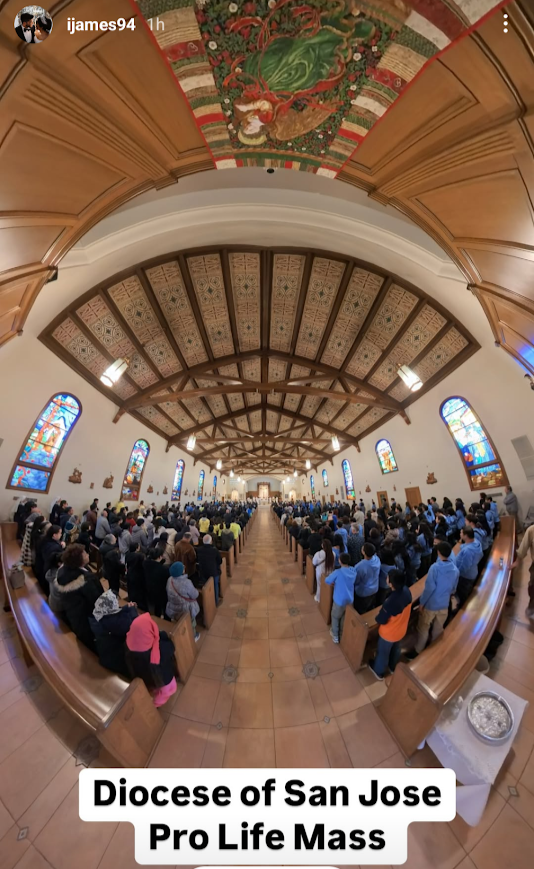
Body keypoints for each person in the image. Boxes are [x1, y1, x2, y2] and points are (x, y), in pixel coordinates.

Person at [406, 541, 459, 658]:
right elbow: (453, 589)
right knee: (438, 629)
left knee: (423, 628)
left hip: (431, 604)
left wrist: (422, 603)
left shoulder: (435, 568)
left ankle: (419, 650)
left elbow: (429, 588)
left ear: (439, 553)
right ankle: (434, 650)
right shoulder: (455, 570)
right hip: (444, 604)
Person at [48, 544, 102, 649]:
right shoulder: (86, 580)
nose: (87, 554)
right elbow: (97, 600)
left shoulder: (64, 572)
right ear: (79, 561)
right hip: (86, 618)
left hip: (73, 615)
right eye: (85, 554)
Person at [125, 612, 177, 707]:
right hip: (163, 678)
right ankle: (156, 704)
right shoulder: (160, 648)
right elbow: (171, 647)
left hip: (148, 680)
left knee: (157, 690)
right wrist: (161, 635)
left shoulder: (130, 648)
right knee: (171, 689)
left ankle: (155, 699)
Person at [368, 570, 412, 681]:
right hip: (401, 629)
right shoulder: (407, 591)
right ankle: (393, 667)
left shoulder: (391, 601)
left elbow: (381, 619)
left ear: (391, 583)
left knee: (383, 652)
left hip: (389, 634)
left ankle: (379, 672)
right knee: (396, 649)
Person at [89, 590, 138, 676]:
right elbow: (134, 624)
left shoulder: (100, 614)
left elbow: (116, 612)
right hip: (115, 658)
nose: (117, 603)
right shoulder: (114, 623)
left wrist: (127, 607)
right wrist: (132, 609)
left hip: (105, 653)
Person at [325, 552, 356, 643]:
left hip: (339, 600)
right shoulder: (353, 570)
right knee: (344, 617)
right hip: (350, 599)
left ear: (340, 561)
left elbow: (327, 580)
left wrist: (335, 582)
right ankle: (342, 634)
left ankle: (335, 636)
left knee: (335, 616)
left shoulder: (338, 572)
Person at [166, 561, 200, 640]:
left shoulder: (170, 580)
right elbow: (195, 595)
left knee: (178, 620)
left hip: (173, 607)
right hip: (185, 608)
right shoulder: (186, 582)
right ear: (181, 571)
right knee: (191, 622)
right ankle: (194, 636)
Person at [453, 526, 483, 605]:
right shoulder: (476, 542)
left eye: (461, 533)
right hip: (472, 571)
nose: (460, 534)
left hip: (465, 576)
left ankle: (462, 608)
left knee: (462, 594)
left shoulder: (468, 551)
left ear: (466, 536)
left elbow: (465, 566)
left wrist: (457, 573)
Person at [512, 523, 534, 618]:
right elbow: (522, 549)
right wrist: (516, 562)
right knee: (532, 588)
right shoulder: (531, 530)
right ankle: (532, 606)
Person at [353, 542, 381, 614]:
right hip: (375, 588)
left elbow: (356, 580)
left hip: (364, 592)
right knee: (370, 606)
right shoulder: (377, 559)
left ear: (364, 552)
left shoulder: (360, 566)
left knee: (361, 609)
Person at [38, 524, 65, 592]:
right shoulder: (55, 547)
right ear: (54, 535)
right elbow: (57, 559)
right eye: (60, 533)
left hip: (42, 568)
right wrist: (62, 547)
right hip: (50, 571)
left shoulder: (44, 540)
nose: (61, 535)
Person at [143, 548, 169, 618]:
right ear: (160, 557)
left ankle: (157, 616)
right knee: (162, 606)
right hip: (160, 591)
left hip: (148, 588)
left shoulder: (145, 563)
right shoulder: (163, 569)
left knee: (156, 607)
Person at [197, 534, 222, 605]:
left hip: (203, 572)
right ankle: (216, 601)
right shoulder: (214, 550)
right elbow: (219, 561)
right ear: (211, 541)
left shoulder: (199, 550)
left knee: (206, 587)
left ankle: (207, 602)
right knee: (215, 586)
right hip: (213, 572)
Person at [125, 542, 148, 610]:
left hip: (130, 575)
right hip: (138, 576)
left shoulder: (127, 554)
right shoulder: (139, 556)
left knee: (131, 591)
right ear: (137, 548)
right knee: (139, 593)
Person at [312, 538, 334, 603]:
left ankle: (319, 598)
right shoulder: (333, 554)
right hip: (329, 572)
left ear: (322, 546)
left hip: (320, 572)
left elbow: (313, 563)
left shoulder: (318, 554)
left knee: (319, 585)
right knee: (327, 586)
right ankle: (327, 599)